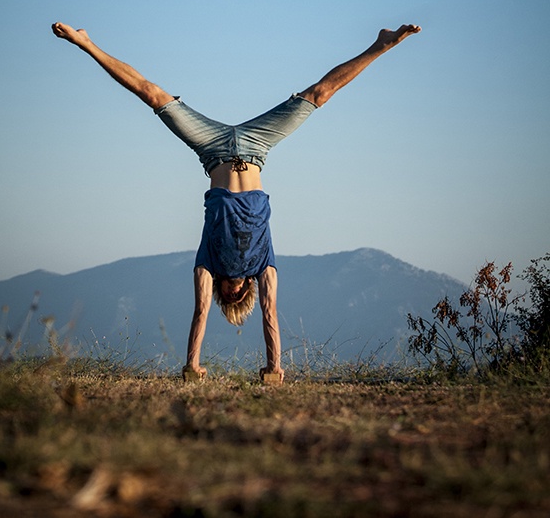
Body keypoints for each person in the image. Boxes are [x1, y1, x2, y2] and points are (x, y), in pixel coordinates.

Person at [52, 21, 421, 382]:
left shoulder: (209, 264)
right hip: (257, 147)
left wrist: (191, 366)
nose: (229, 290)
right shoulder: (263, 264)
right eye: (235, 293)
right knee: (319, 94)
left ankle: (85, 43)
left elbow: (199, 312)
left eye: (224, 295)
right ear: (245, 290)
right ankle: (381, 45)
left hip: (212, 149)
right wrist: (275, 367)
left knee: (151, 94)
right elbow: (271, 316)